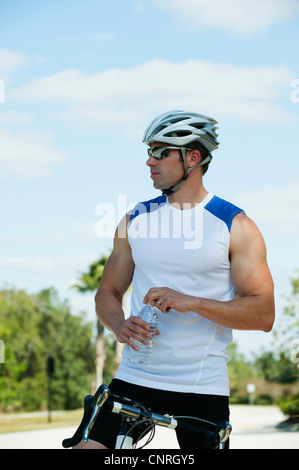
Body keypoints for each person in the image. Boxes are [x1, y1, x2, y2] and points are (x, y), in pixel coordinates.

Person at [74, 110, 275, 449]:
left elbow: (263, 314)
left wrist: (191, 302)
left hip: (202, 387)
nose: (149, 162)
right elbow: (106, 292)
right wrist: (119, 324)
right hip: (135, 377)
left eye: (160, 152)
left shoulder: (235, 226)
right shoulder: (134, 219)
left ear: (192, 158)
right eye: (149, 152)